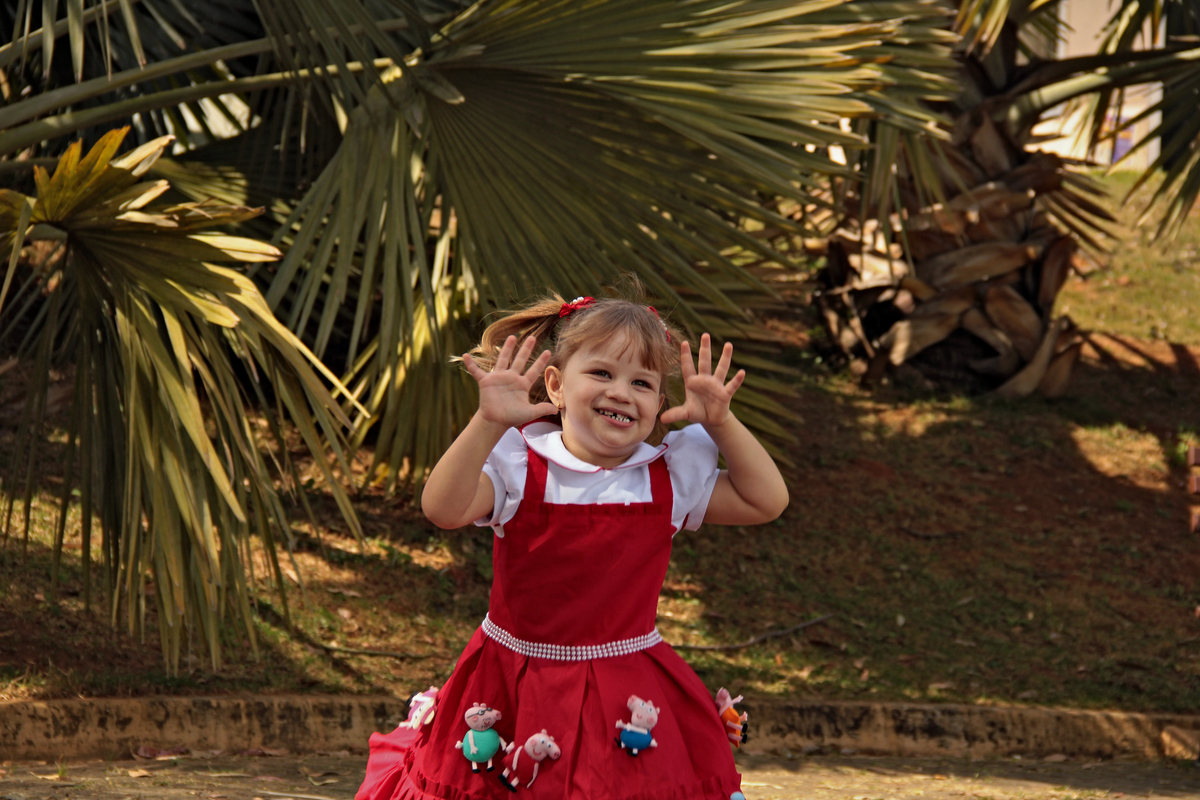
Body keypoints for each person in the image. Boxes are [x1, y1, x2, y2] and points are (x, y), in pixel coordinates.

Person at [356, 291, 788, 800]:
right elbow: (443, 509)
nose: (621, 392)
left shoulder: (666, 481)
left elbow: (766, 501)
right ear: (556, 385)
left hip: (626, 688)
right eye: (602, 373)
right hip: (515, 682)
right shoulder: (521, 467)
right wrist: (488, 422)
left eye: (642, 383)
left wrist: (721, 422)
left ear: (658, 406)